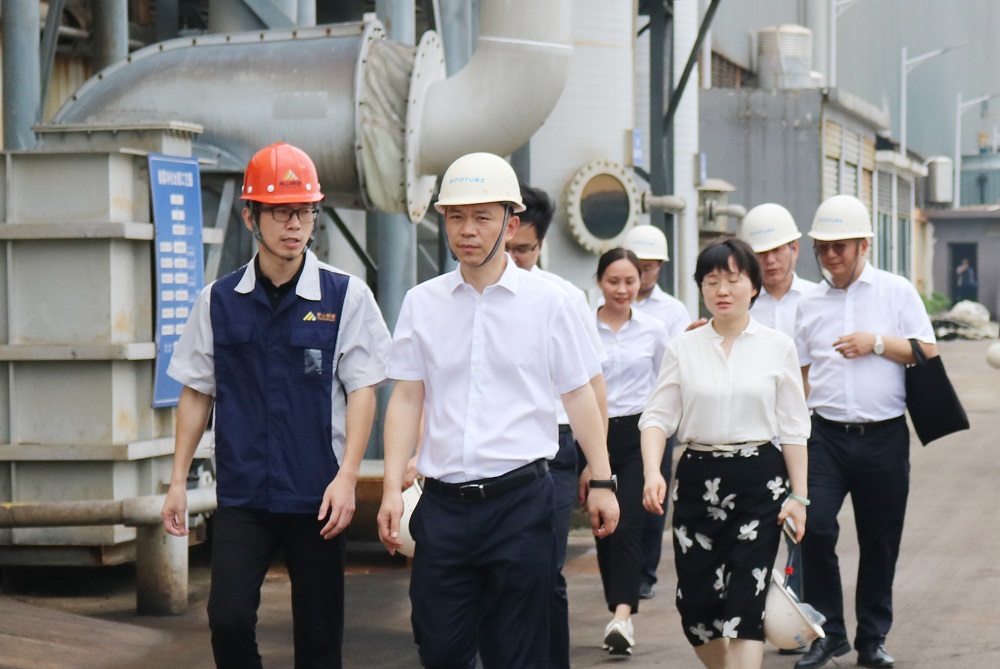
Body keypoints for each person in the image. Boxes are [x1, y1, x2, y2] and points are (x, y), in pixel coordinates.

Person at [376, 152, 620, 669]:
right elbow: (407, 397)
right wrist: (392, 488)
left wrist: (602, 479)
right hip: (442, 506)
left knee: (518, 653)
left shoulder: (549, 303)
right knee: (439, 648)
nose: (467, 230)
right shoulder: (422, 302)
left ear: (510, 224)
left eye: (482, 217)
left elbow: (579, 394)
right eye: (456, 216)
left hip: (520, 504)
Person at [160, 142, 391, 669]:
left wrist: (348, 478)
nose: (295, 224)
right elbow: (197, 390)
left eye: (305, 211)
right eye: (281, 212)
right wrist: (176, 481)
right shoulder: (217, 301)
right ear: (251, 217)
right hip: (244, 495)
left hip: (319, 496)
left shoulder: (345, 296)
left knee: (319, 638)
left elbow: (363, 390)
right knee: (227, 619)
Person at [639, 237, 810, 669]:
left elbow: (794, 427)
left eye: (733, 279)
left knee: (746, 604)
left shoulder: (777, 346)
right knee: (696, 608)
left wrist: (800, 496)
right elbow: (657, 417)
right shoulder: (683, 347)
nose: (722, 290)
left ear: (753, 286)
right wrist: (653, 472)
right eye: (711, 281)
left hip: (760, 479)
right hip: (697, 477)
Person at [794, 195, 936, 669]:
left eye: (841, 246)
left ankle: (872, 639)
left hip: (883, 437)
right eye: (823, 247)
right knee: (814, 529)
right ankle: (828, 634)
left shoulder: (895, 292)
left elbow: (928, 350)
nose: (831, 256)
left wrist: (875, 343)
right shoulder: (809, 303)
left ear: (864, 245)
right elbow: (801, 372)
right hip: (825, 438)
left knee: (880, 540)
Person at [505, 183, 609, 669]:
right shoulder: (460, 297)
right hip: (496, 454)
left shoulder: (563, 299)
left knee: (544, 572)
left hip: (556, 451)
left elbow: (593, 386)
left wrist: (597, 467)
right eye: (507, 247)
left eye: (524, 249)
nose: (514, 258)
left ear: (541, 245)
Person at [737, 202, 818, 654]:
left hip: (810, 434)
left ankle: (795, 619)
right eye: (759, 253)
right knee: (758, 532)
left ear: (795, 249)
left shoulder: (817, 300)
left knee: (805, 528)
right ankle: (756, 620)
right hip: (756, 438)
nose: (769, 260)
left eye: (776, 250)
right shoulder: (739, 304)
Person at [589, 247, 667, 658]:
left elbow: (664, 385)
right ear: (599, 282)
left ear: (641, 282)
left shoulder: (654, 330)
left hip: (638, 435)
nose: (622, 289)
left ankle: (622, 616)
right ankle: (617, 606)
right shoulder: (584, 328)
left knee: (629, 524)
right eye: (613, 281)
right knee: (603, 526)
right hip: (594, 434)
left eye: (630, 281)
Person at [622, 224, 692, 601]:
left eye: (651, 266)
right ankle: (620, 567)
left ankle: (645, 573)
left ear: (661, 267)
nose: (645, 273)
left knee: (653, 494)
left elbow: (679, 366)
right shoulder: (607, 302)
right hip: (615, 416)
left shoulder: (673, 311)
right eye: (639, 265)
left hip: (657, 418)